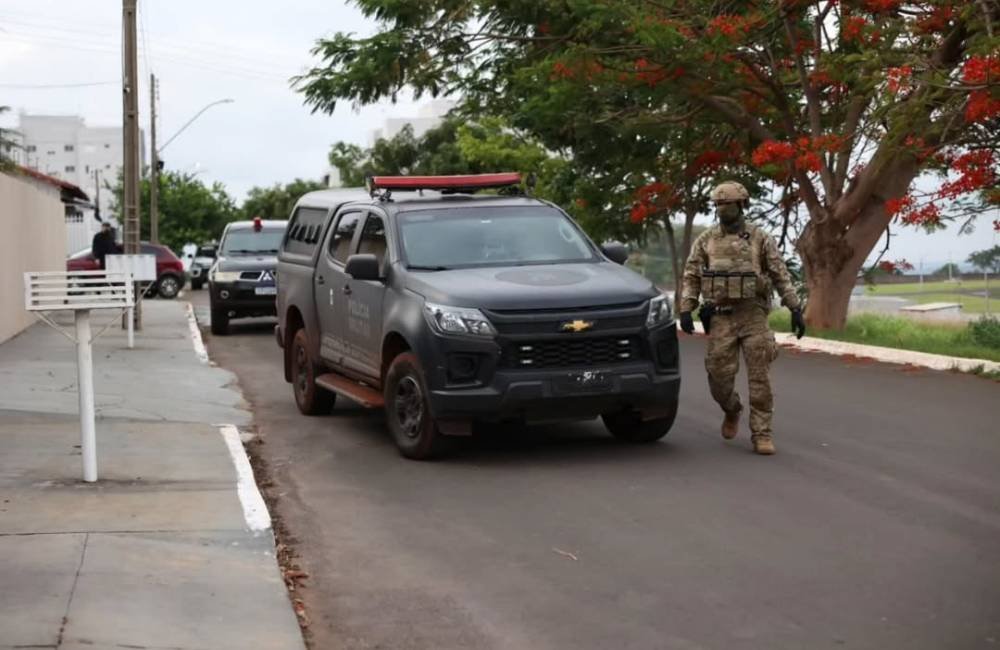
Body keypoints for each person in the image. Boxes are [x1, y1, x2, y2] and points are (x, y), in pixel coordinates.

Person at [678, 181, 806, 455]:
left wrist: (795, 309)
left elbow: (780, 274)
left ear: (741, 204)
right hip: (721, 317)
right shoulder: (706, 240)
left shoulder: (760, 238)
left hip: (753, 315)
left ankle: (762, 433)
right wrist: (686, 308)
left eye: (727, 204)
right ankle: (732, 408)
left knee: (760, 379)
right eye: (718, 204)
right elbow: (691, 275)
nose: (722, 209)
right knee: (718, 378)